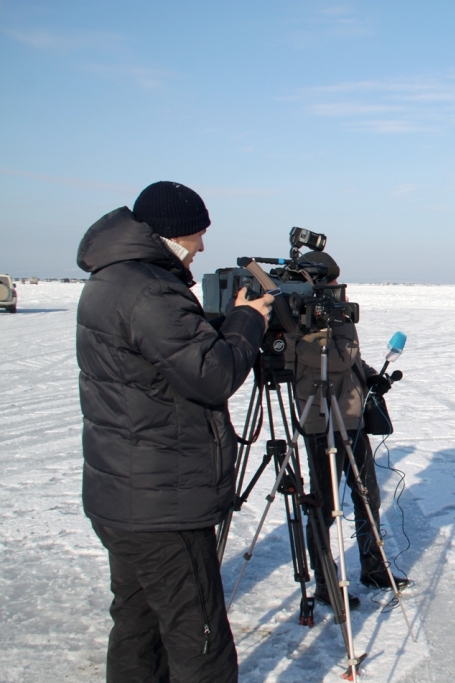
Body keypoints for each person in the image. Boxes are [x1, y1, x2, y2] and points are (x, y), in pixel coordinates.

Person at [77, 181, 274, 682]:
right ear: (170, 234)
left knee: (138, 628)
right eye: (197, 235)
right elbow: (212, 376)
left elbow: (163, 357)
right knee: (198, 640)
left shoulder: (114, 279)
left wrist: (214, 321)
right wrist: (247, 321)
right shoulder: (150, 291)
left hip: (122, 494)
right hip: (163, 504)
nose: (201, 247)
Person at [288, 251, 409, 604]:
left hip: (352, 415)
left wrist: (371, 375)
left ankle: (373, 568)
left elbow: (351, 356)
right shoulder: (299, 318)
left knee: (367, 496)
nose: (336, 289)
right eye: (329, 282)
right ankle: (327, 583)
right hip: (322, 420)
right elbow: (334, 358)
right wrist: (327, 321)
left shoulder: (331, 311)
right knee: (324, 505)